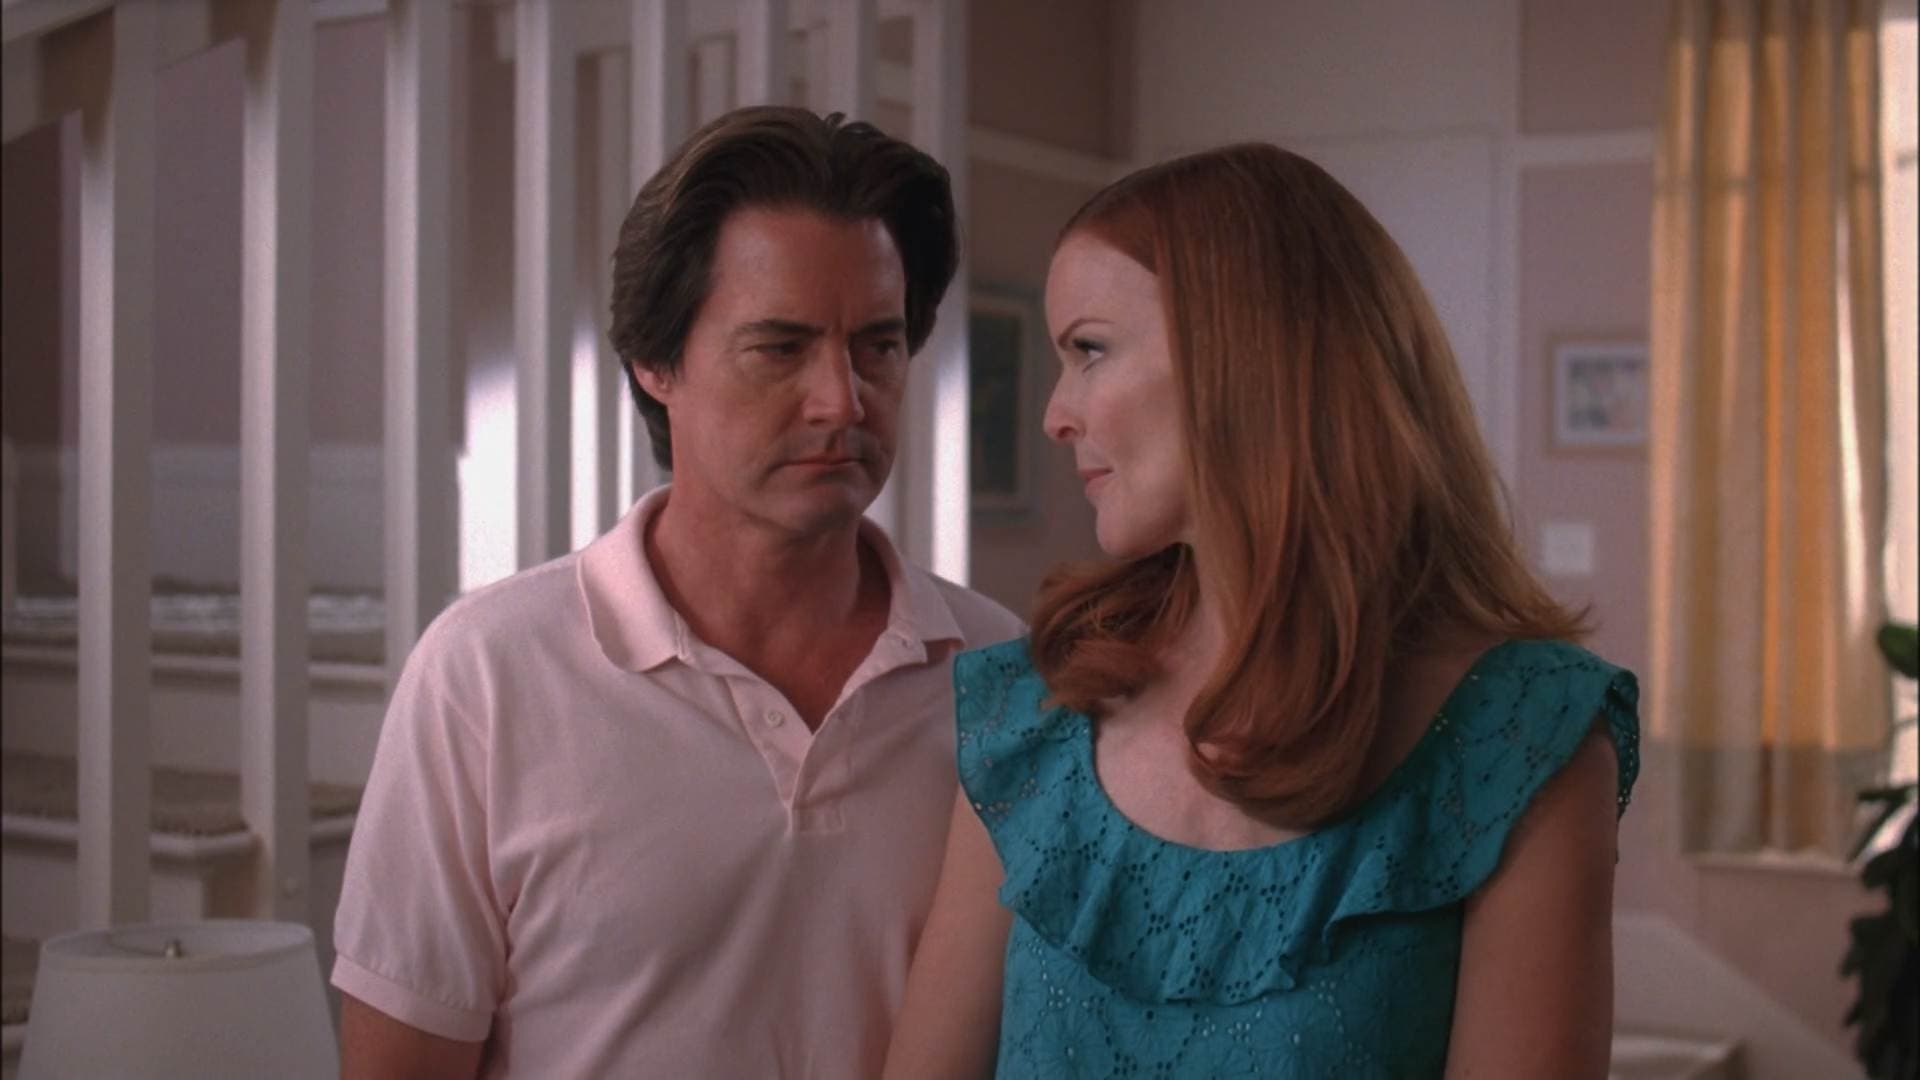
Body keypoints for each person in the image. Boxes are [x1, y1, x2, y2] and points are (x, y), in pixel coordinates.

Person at [883, 143, 1641, 1078]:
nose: (1055, 414)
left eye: (1090, 351)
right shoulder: (1034, 713)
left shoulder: (1521, 739)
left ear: (1241, 359)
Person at [332, 106, 1023, 1078]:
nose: (842, 399)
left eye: (878, 345)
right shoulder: (487, 675)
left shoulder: (1002, 674)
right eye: (779, 348)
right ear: (656, 364)